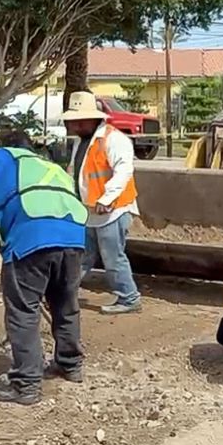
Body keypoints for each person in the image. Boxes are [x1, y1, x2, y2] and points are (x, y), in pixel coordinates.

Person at [0, 128, 88, 405]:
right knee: (65, 304)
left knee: (23, 311)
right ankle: (70, 365)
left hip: (32, 237)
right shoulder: (48, 164)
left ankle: (26, 384)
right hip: (73, 236)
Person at [63, 91, 142, 315]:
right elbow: (77, 174)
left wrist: (107, 198)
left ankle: (129, 298)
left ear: (93, 118)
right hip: (89, 210)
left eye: (79, 121)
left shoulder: (114, 139)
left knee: (112, 257)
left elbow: (124, 171)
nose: (75, 126)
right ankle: (64, 293)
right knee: (82, 255)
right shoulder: (83, 143)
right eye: (73, 122)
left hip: (113, 210)